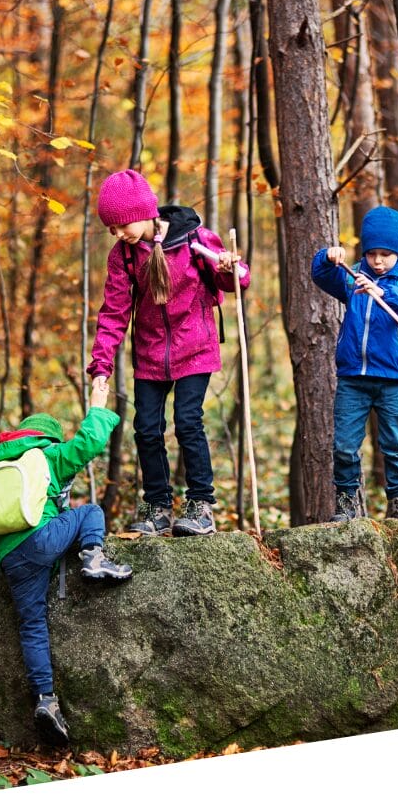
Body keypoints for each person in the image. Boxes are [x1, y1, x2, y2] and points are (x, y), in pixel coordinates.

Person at [88, 168, 250, 537]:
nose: (118, 233)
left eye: (122, 224)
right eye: (111, 228)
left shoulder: (194, 239)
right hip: (150, 353)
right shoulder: (124, 256)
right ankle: (158, 506)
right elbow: (114, 312)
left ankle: (201, 506)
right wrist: (101, 366)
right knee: (146, 429)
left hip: (195, 348)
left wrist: (231, 267)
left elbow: (236, 280)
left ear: (143, 212)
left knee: (188, 421)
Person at [0, 384, 131, 746]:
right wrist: (98, 406)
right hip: (41, 540)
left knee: (32, 625)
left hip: (11, 559)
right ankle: (94, 558)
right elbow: (88, 444)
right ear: (48, 437)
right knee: (90, 512)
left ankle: (46, 699)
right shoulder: (48, 455)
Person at [312, 205, 398, 523]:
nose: (377, 261)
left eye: (385, 255)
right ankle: (346, 500)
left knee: (395, 444)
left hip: (391, 377)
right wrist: (326, 257)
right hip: (353, 377)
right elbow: (321, 275)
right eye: (372, 253)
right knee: (345, 445)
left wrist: (382, 291)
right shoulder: (353, 278)